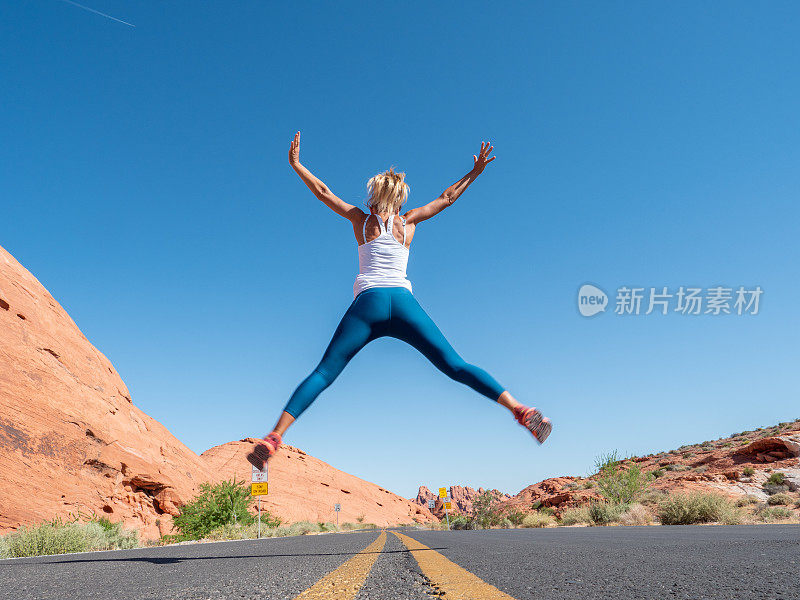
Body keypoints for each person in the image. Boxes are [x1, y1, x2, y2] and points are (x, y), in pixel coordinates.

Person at [247, 132, 551, 469]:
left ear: (373, 200)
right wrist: (475, 172)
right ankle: (519, 409)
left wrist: (296, 165)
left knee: (324, 372)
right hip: (404, 303)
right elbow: (447, 198)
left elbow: (323, 193)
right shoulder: (409, 221)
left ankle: (275, 435)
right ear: (400, 202)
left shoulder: (360, 220)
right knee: (456, 365)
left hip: (368, 305)